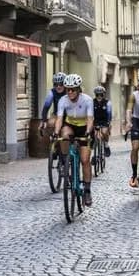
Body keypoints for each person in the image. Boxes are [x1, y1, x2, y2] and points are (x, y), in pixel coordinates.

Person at [53, 74, 95, 206]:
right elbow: (59, 119)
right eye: (68, 89)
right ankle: (66, 161)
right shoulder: (63, 100)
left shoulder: (87, 100)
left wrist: (88, 132)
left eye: (73, 89)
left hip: (84, 128)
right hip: (70, 125)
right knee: (64, 135)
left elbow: (90, 119)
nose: (70, 92)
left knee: (85, 160)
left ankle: (87, 191)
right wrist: (55, 132)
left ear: (78, 89)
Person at [92, 86, 113, 157]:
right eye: (97, 95)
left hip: (104, 120)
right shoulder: (92, 102)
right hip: (95, 120)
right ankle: (95, 154)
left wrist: (109, 123)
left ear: (103, 94)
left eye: (101, 94)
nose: (99, 96)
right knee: (95, 135)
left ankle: (106, 145)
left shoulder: (107, 103)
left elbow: (109, 113)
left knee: (104, 132)